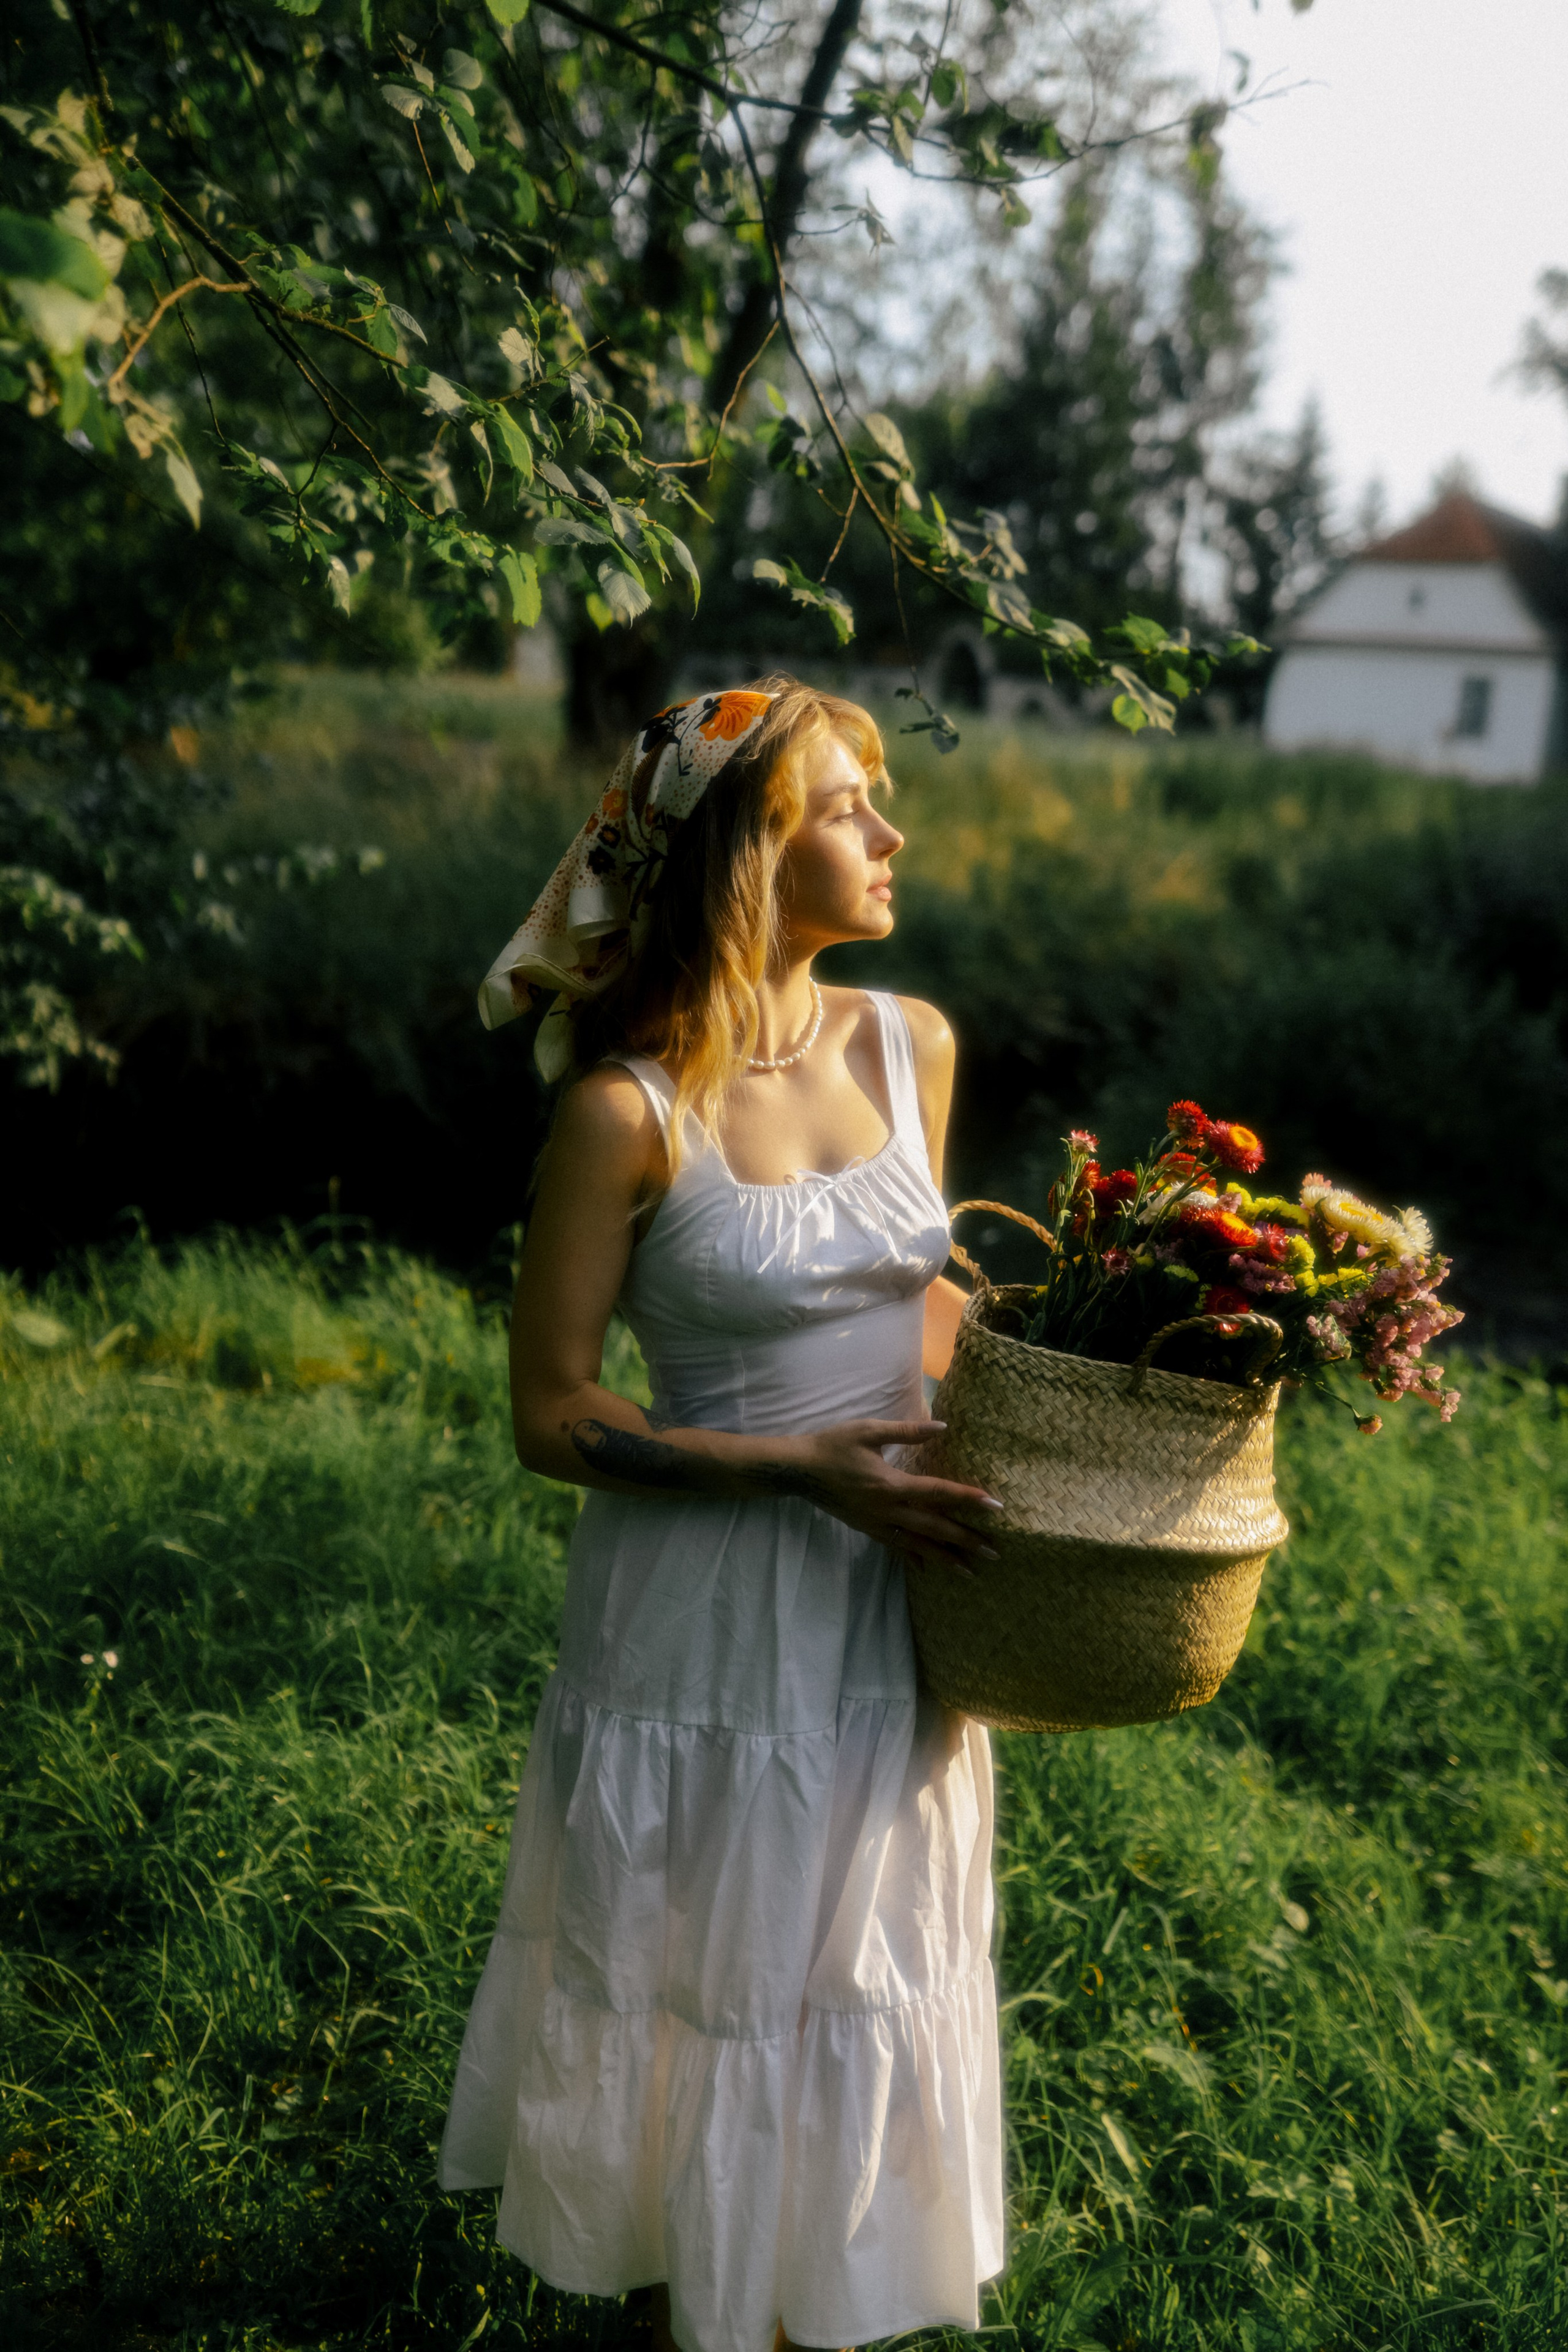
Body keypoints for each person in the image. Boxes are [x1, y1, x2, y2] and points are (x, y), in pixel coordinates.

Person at [439, 678, 1005, 2352]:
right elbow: (553, 1413)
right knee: (704, 1969)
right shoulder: (625, 1112)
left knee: (857, 1963)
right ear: (749, 852)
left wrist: (1112, 1352)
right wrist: (795, 1472)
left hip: (889, 1601)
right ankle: (684, 2294)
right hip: (704, 1617)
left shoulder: (909, 1045)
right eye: (846, 806)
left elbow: (915, 1303)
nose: (890, 832)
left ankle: (818, 2294)